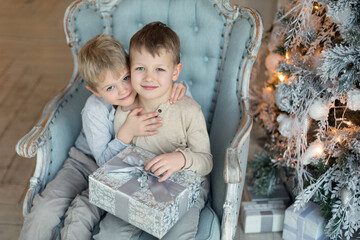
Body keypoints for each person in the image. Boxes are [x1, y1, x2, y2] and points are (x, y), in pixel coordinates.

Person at [19, 35, 187, 240]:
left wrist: (179, 87)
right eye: (110, 87)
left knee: (82, 214)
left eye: (125, 78)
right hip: (84, 164)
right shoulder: (94, 109)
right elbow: (103, 162)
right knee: (45, 210)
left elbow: (168, 87)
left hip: (122, 173)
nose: (123, 89)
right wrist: (126, 132)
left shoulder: (144, 88)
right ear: (94, 90)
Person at [94, 22, 213, 240]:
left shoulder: (189, 110)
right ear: (129, 69)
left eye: (159, 69)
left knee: (178, 234)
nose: (149, 78)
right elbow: (119, 161)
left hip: (185, 185)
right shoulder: (125, 113)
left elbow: (206, 162)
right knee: (110, 233)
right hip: (139, 185)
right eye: (140, 68)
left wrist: (180, 159)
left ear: (175, 72)